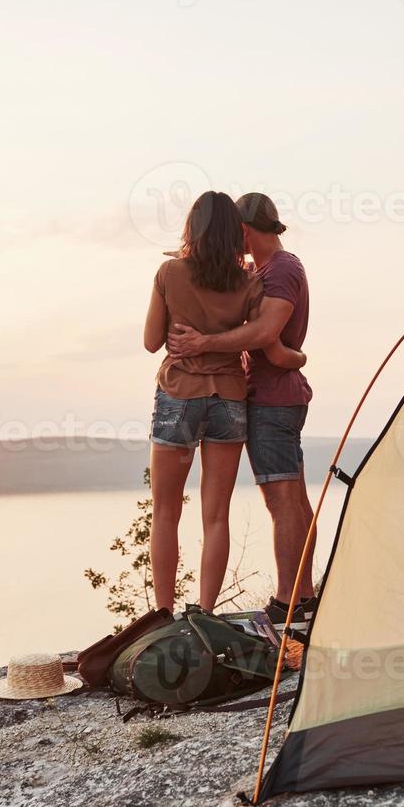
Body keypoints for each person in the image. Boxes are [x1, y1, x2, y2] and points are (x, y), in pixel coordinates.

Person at [144, 191, 307, 614]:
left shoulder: (170, 272)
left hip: (180, 395)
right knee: (216, 515)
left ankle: (163, 615)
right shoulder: (251, 282)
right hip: (230, 400)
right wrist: (300, 358)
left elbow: (150, 342)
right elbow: (271, 348)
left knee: (165, 512)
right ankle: (205, 612)